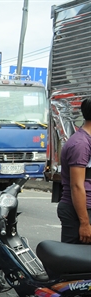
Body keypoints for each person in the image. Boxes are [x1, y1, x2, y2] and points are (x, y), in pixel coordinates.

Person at [57, 97, 91, 244]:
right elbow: (76, 186)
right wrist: (84, 223)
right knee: (74, 262)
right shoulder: (81, 144)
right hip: (79, 212)